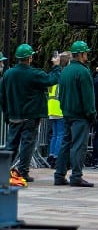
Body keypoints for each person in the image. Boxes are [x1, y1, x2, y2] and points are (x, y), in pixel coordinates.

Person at [0, 43, 63, 186]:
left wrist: (7, 114)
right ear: (29, 58)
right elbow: (51, 80)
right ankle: (23, 172)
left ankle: (2, 172)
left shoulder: (8, 74)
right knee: (27, 145)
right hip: (30, 116)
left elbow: (2, 96)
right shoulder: (34, 73)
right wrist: (56, 66)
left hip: (14, 116)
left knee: (11, 145)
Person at [54, 40, 97, 188]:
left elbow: (62, 93)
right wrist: (92, 114)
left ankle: (59, 175)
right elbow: (88, 97)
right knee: (78, 146)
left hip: (67, 113)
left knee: (65, 145)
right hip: (80, 115)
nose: (87, 56)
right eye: (86, 53)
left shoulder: (65, 70)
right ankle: (76, 176)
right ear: (81, 54)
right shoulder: (83, 72)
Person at [45, 52, 70, 167]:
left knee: (55, 134)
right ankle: (56, 157)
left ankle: (51, 155)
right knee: (60, 134)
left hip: (51, 107)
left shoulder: (53, 74)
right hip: (59, 108)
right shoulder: (62, 75)